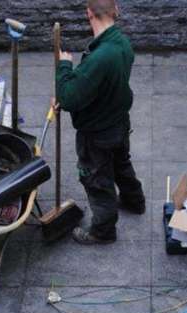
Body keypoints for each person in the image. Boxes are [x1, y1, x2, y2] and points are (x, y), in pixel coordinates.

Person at [54, 0, 145, 245]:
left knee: (97, 180)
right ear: (115, 10)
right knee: (121, 164)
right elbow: (102, 86)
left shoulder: (100, 57)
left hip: (97, 133)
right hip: (119, 123)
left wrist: (64, 66)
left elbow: (70, 97)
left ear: (89, 13)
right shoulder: (123, 44)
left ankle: (103, 231)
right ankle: (135, 202)